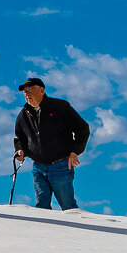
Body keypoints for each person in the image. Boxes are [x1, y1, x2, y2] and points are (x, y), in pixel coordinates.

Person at [13, 77, 90, 210]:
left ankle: (77, 230)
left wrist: (75, 151)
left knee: (68, 206)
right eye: (25, 92)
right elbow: (20, 137)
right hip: (38, 167)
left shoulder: (60, 107)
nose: (27, 94)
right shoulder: (23, 115)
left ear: (42, 90)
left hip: (60, 165)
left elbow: (82, 128)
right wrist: (20, 150)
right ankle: (44, 231)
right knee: (41, 206)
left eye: (30, 90)